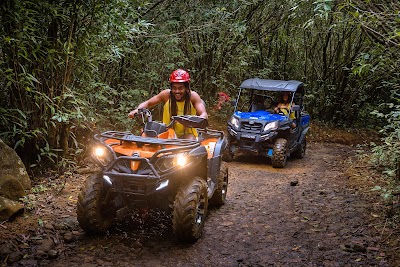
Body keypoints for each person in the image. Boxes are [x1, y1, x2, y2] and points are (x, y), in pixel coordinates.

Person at [128, 69, 208, 139]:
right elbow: (148, 103)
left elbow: (203, 113)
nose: (177, 91)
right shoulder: (166, 95)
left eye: (180, 88)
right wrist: (137, 110)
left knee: (190, 141)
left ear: (186, 88)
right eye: (174, 88)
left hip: (188, 136)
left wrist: (199, 119)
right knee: (145, 137)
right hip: (167, 134)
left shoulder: (193, 96)